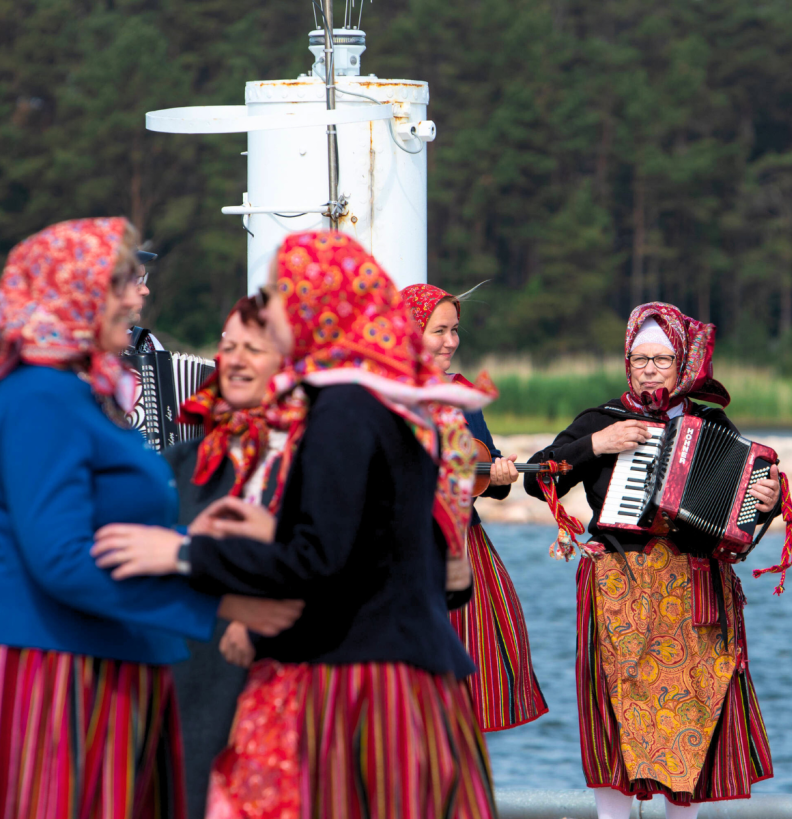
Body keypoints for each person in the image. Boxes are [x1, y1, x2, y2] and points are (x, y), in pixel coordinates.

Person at [92, 231, 498, 818]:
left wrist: (180, 555)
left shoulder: (342, 410)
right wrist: (269, 534)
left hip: (367, 686)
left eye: (283, 292)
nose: (273, 306)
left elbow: (322, 561)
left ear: (316, 304)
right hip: (399, 679)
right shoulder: (377, 399)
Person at [0, 218, 302, 818]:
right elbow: (61, 560)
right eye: (119, 283)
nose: (137, 296)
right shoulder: (39, 397)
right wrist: (217, 604)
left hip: (118, 665)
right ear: (73, 292)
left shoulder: (82, 393)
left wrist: (190, 540)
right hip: (66, 677)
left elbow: (116, 536)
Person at [522, 302, 783, 819]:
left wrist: (764, 504)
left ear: (682, 363)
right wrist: (596, 445)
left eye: (661, 361)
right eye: (639, 360)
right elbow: (537, 479)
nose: (647, 371)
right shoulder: (601, 419)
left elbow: (737, 521)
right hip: (619, 584)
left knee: (692, 711)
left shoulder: (711, 422)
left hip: (693, 587)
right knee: (615, 715)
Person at [164, 295, 300, 819]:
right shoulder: (183, 464)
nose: (236, 360)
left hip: (292, 693)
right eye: (228, 347)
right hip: (197, 685)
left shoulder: (323, 458)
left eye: (254, 348)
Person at [402, 283, 549, 731]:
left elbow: (487, 477)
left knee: (464, 698)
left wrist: (501, 477)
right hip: (403, 549)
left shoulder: (461, 394)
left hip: (462, 546)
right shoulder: (382, 394)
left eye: (454, 330)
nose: (450, 342)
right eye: (438, 331)